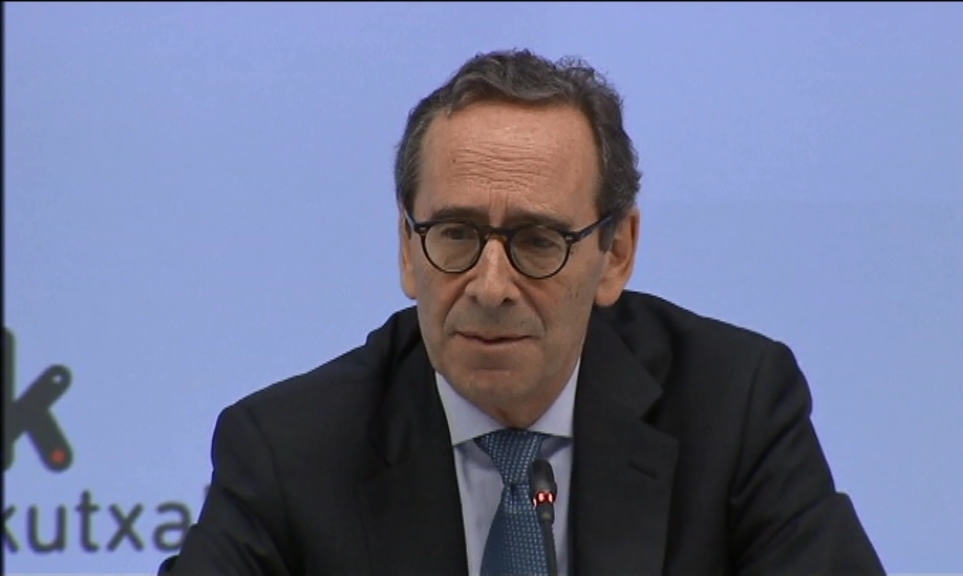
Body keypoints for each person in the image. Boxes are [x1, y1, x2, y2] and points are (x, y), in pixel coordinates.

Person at [158, 49, 885, 575]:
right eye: (456, 234)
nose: (490, 285)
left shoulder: (733, 405)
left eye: (538, 241)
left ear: (616, 253)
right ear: (407, 250)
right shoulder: (290, 450)